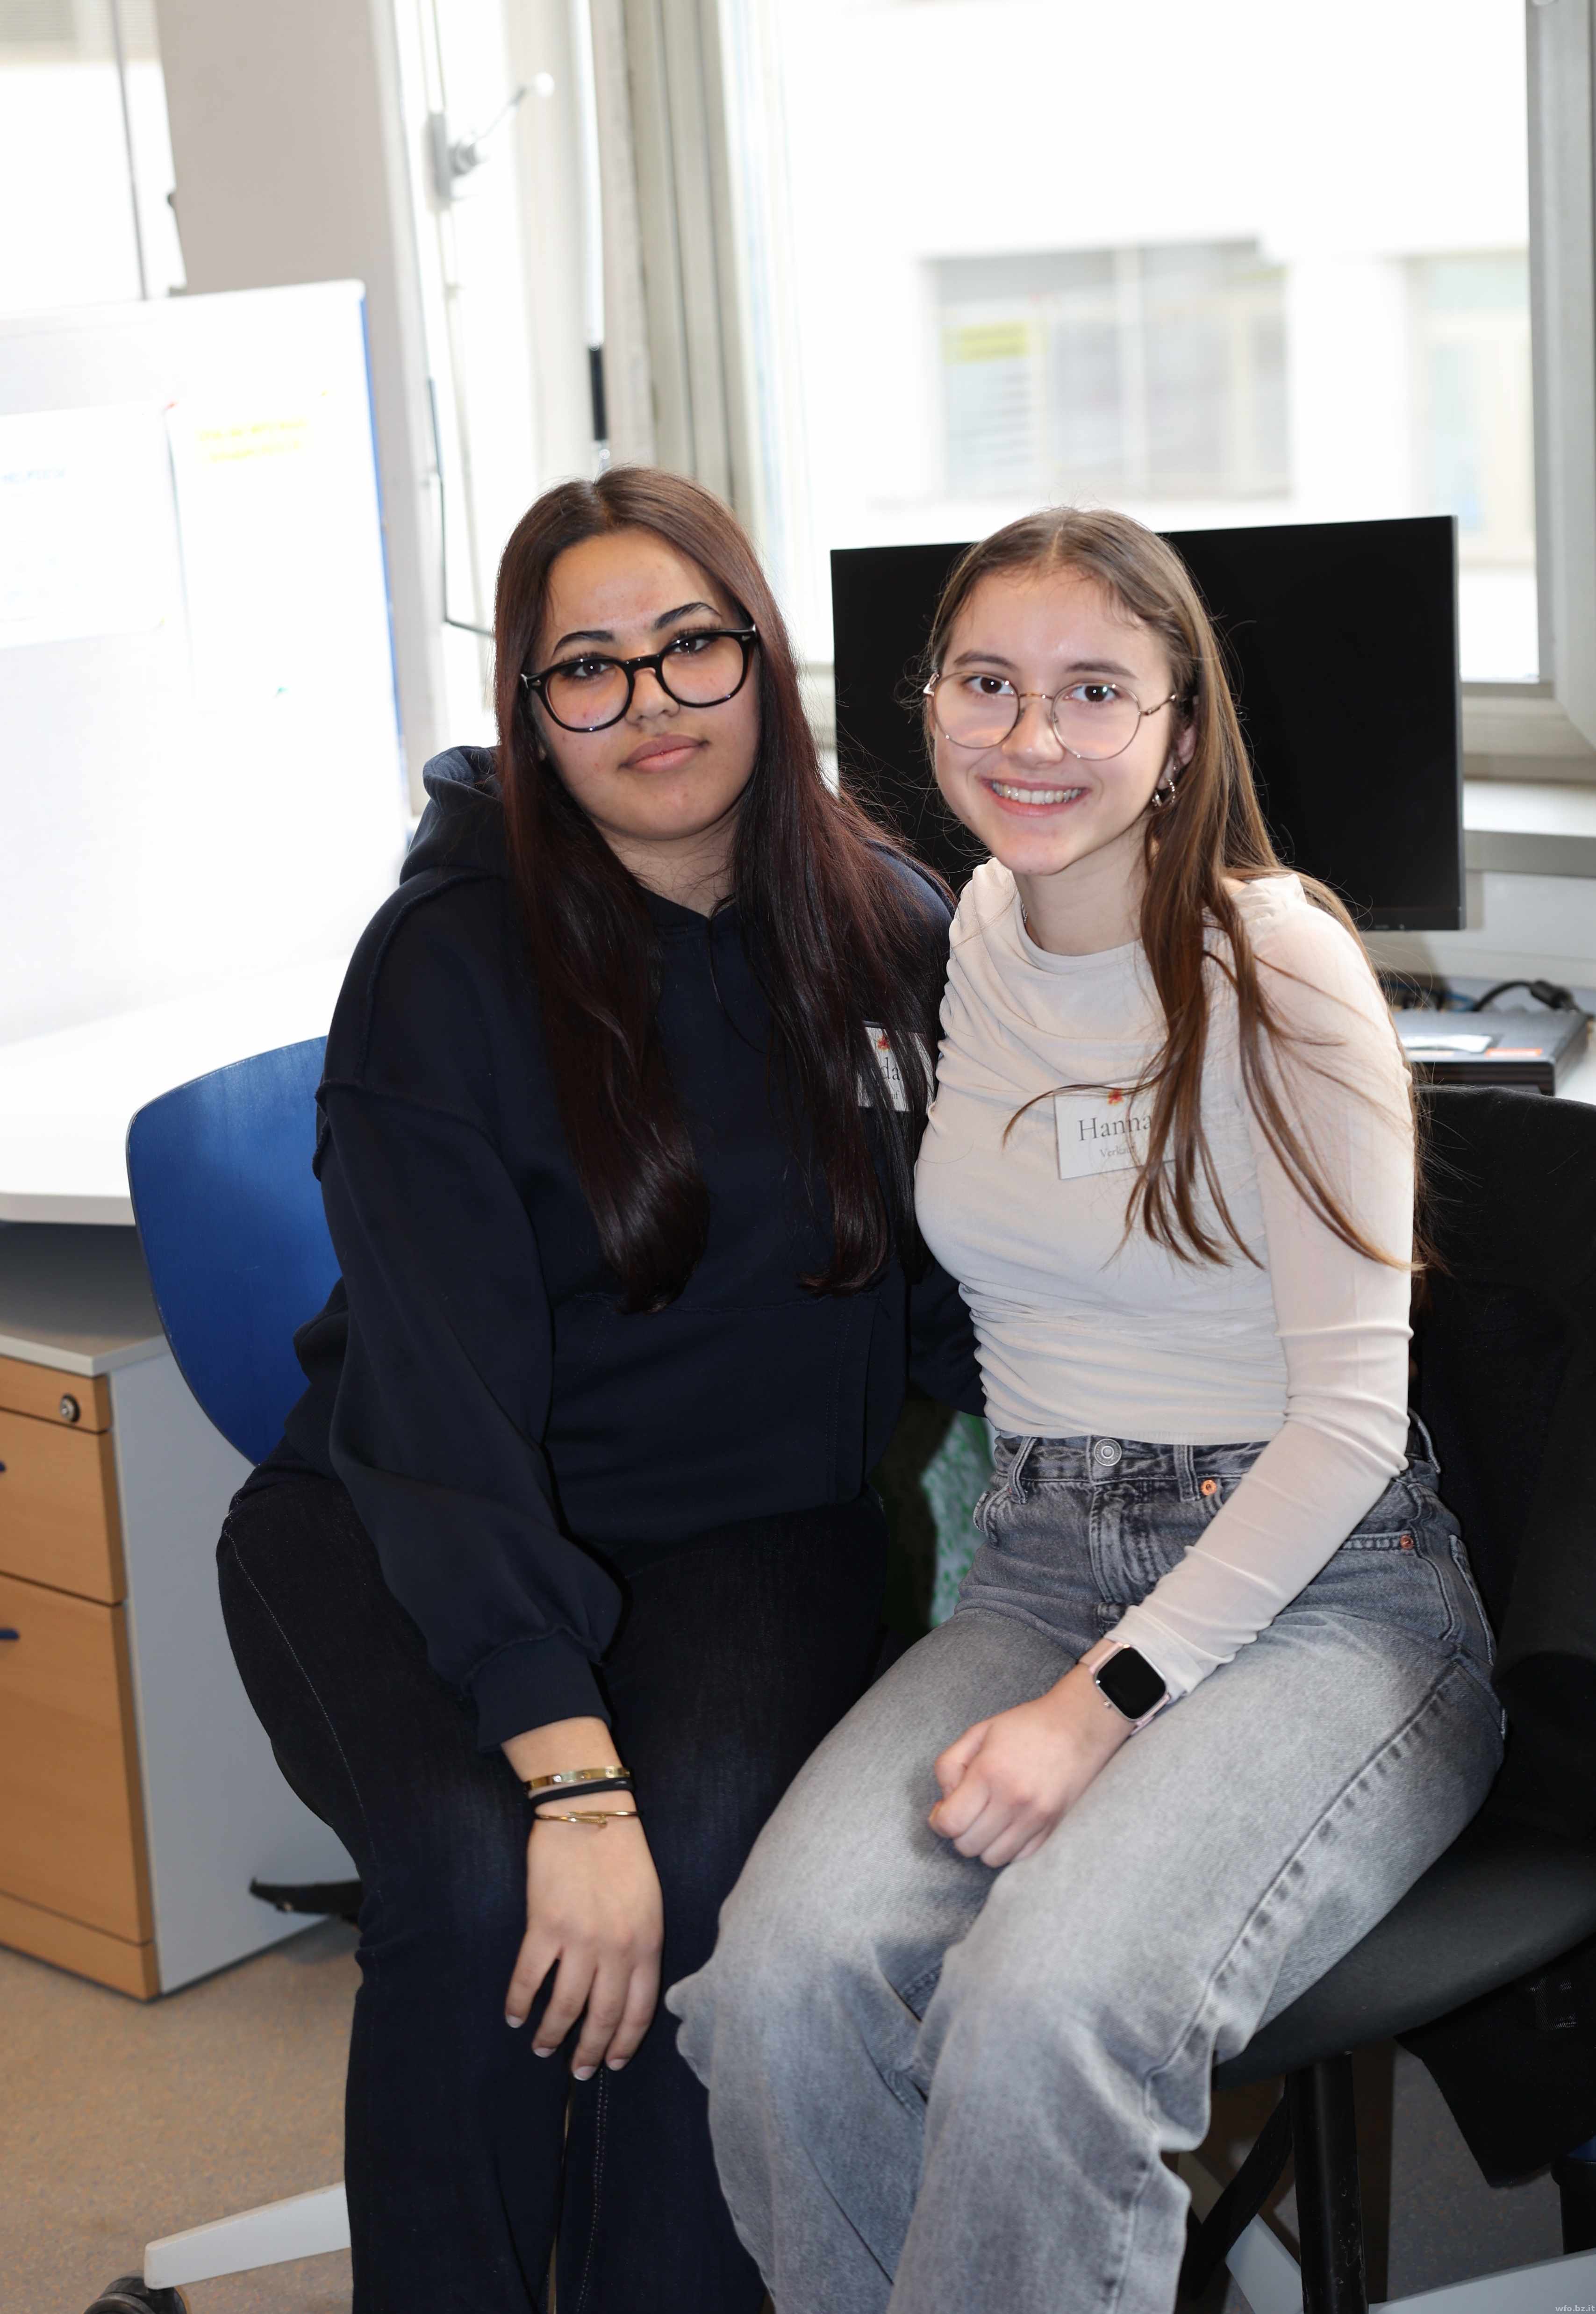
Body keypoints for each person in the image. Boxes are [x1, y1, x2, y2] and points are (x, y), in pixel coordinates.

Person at [669, 508, 1504, 2314]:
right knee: (774, 1991)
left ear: (1181, 732)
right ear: (929, 704)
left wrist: (1101, 1705)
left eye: (1094, 692)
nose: (1031, 737)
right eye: (987, 684)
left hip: (1326, 1592)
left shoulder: (1277, 960)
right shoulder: (974, 928)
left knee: (1042, 2016)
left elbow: (1351, 1421)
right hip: (1043, 1563)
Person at [216, 466, 982, 2314]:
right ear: (532, 711)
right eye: (587, 667)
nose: (650, 702)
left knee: (704, 1893)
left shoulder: (895, 927)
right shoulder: (442, 968)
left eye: (690, 644)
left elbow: (962, 1291)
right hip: (413, 1518)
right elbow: (438, 1404)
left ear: (761, 658)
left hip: (745, 1535)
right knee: (479, 1878)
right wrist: (567, 1782)